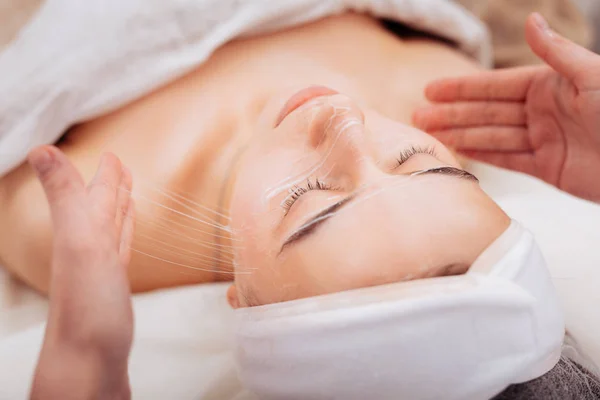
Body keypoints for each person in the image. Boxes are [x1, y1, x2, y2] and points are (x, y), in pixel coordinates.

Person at [27, 13, 600, 399]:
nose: (345, 119)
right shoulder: (461, 104)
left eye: (308, 201)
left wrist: (83, 358)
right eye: (425, 165)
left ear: (242, 299)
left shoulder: (83, 206)